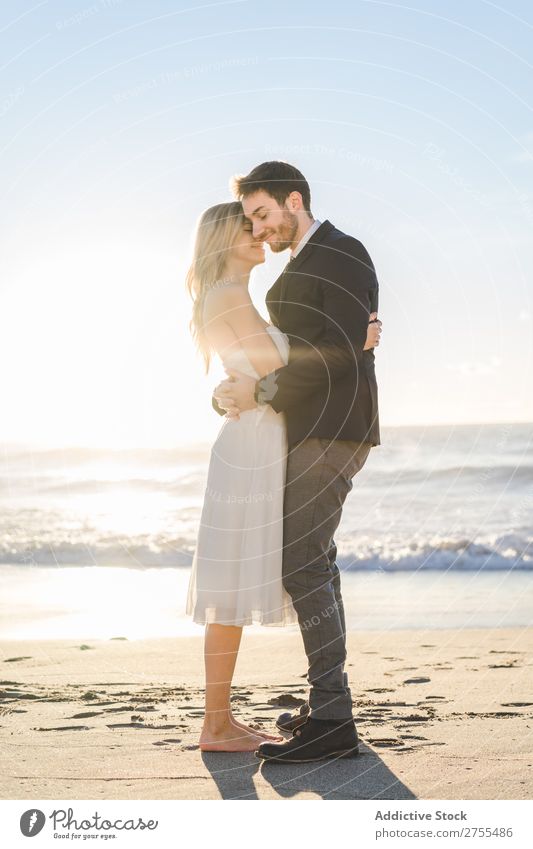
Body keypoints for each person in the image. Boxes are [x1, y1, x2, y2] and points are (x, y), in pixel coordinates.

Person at [186, 194, 381, 754]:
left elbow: (250, 373)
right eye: (246, 227)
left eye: (260, 221)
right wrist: (350, 340)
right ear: (222, 241)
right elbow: (274, 368)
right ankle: (217, 723)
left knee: (246, 576)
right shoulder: (227, 295)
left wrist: (236, 390)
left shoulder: (236, 295)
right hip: (250, 450)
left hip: (263, 441)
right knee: (232, 581)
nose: (258, 233)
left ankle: (223, 719)